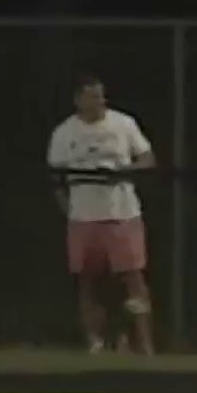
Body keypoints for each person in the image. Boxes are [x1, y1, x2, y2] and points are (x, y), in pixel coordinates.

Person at [47, 75, 156, 354]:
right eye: (92, 96)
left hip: (122, 213)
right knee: (87, 280)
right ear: (78, 100)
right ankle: (95, 343)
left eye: (101, 96)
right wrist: (68, 209)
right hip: (83, 218)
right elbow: (56, 177)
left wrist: (123, 172)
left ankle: (144, 345)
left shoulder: (123, 124)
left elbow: (147, 159)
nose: (99, 102)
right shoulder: (64, 132)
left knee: (133, 277)